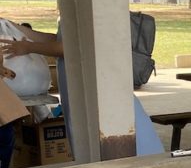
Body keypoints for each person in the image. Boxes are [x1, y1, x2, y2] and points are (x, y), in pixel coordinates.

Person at [0, 22, 163, 156]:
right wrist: (13, 26)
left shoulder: (88, 8)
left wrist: (29, 47)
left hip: (97, 84)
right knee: (86, 134)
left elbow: (72, 47)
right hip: (80, 85)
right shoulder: (72, 12)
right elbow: (57, 39)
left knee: (114, 136)